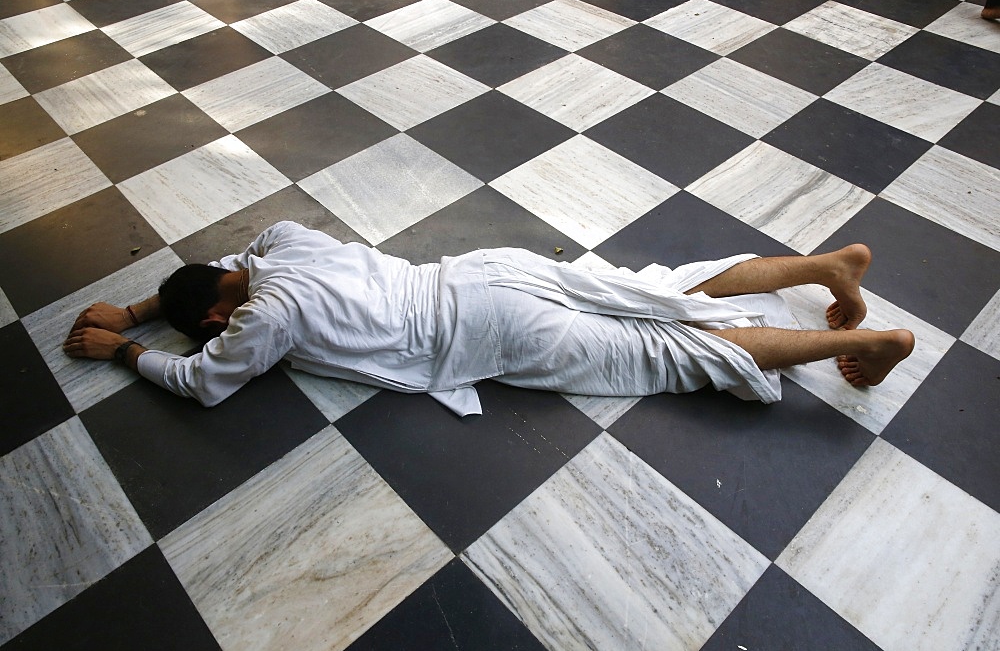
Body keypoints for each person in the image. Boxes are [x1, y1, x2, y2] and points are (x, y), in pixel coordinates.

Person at [63, 221, 914, 416]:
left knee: (672, 349)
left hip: (487, 334)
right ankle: (828, 267)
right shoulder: (283, 246)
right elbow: (243, 251)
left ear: (217, 314)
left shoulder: (261, 320)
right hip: (490, 269)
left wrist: (127, 350)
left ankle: (857, 342)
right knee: (658, 286)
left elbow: (206, 383)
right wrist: (141, 302)